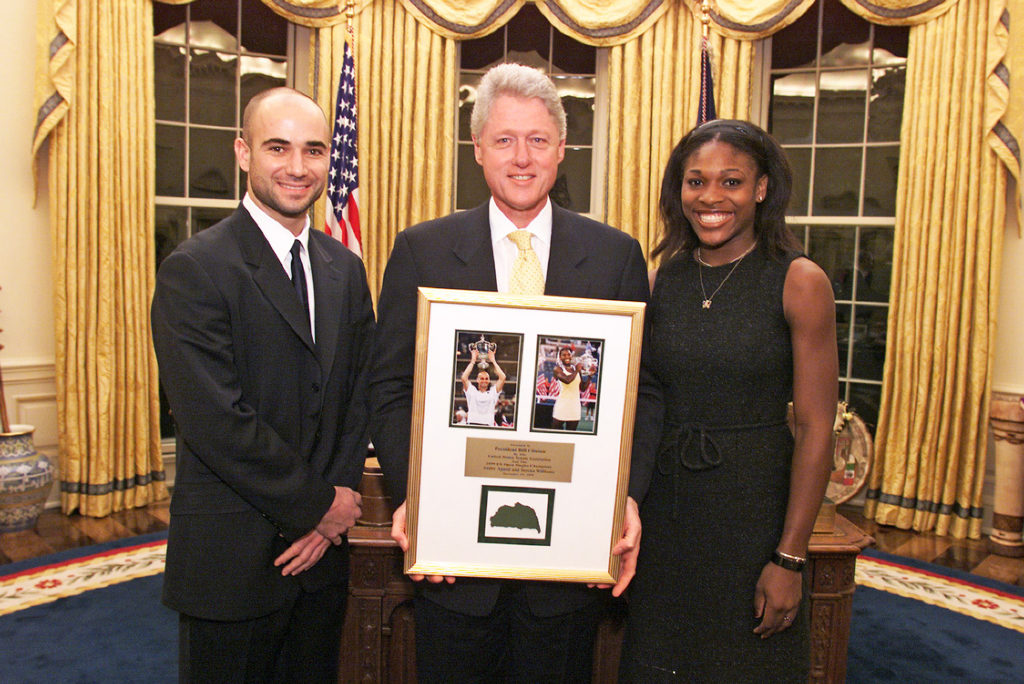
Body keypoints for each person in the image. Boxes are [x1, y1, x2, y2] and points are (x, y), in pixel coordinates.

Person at [369, 63, 649, 682]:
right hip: (455, 560)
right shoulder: (423, 250)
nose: (521, 158)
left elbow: (642, 391)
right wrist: (416, 493)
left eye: (538, 140)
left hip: (569, 562)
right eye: (504, 139)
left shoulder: (614, 256)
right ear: (477, 148)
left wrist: (624, 494)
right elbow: (389, 387)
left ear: (561, 148)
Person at [151, 87, 375, 682]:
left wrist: (337, 504)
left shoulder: (345, 270)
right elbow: (216, 422)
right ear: (244, 153)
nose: (298, 167)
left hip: (321, 563)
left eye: (314, 150)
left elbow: (359, 397)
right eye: (278, 148)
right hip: (233, 567)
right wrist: (319, 508)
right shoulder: (195, 270)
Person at [621, 119, 837, 682]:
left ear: (762, 189)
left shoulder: (799, 281)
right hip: (666, 521)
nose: (711, 197)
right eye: (696, 182)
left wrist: (789, 558)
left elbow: (817, 429)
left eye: (732, 182)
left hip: (753, 519)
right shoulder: (658, 278)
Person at [460, 347, 506, 426]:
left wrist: (493, 360)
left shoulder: (493, 392)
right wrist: (473, 361)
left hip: (488, 426)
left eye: (486, 379)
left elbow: (502, 377)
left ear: (489, 381)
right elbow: (464, 378)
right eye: (481, 378)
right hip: (472, 425)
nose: (484, 380)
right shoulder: (472, 391)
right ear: (477, 380)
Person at [551, 346, 589, 430]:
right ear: (560, 357)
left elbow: (582, 388)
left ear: (571, 356)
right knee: (554, 434)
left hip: (574, 407)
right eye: (564, 355)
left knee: (571, 434)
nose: (567, 357)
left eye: (569, 354)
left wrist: (590, 376)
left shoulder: (576, 369)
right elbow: (567, 380)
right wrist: (577, 370)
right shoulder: (557, 369)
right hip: (562, 406)